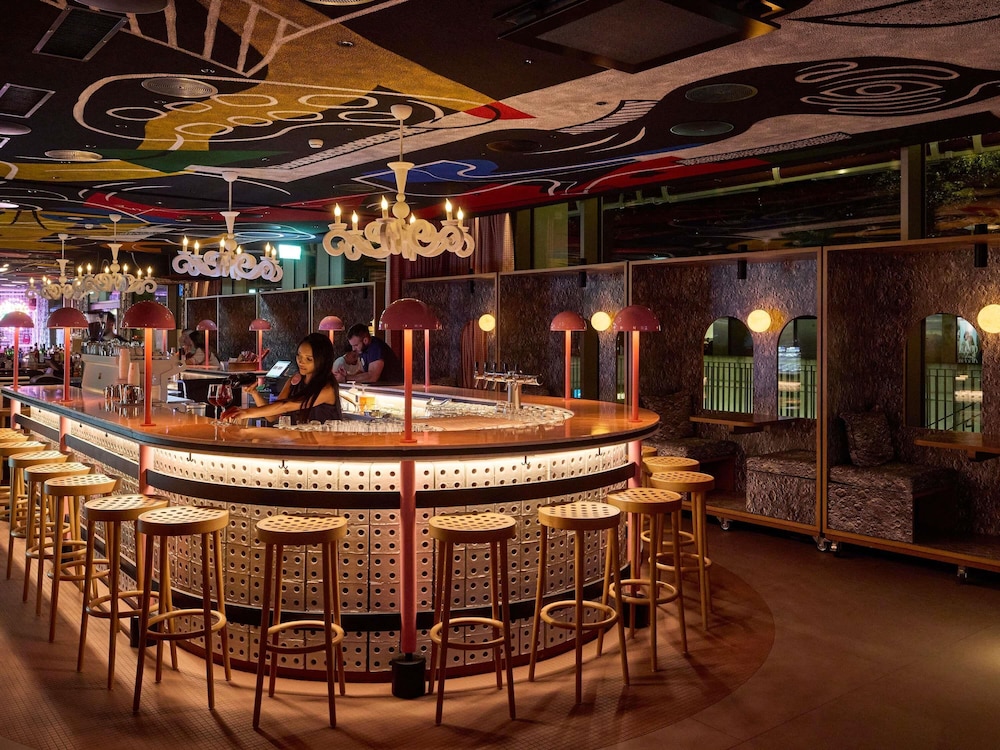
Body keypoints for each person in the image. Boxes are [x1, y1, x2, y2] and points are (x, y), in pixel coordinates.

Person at [221, 333, 342, 424]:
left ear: (322, 361)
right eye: (299, 356)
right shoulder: (294, 381)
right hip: (299, 445)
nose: (301, 361)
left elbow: (286, 406)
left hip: (325, 446)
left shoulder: (327, 389)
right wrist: (254, 393)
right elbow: (272, 416)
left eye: (308, 359)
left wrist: (245, 412)